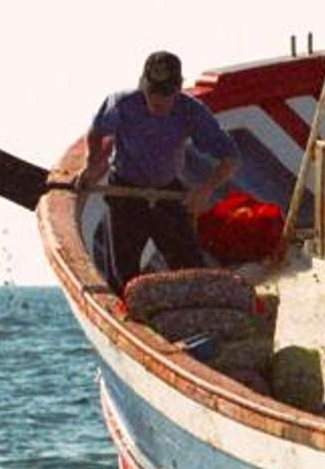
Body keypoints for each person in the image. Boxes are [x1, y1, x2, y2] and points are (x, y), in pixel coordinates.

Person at [76, 50, 240, 291]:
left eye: (166, 95)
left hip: (167, 194)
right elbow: (96, 132)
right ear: (143, 86)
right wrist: (90, 166)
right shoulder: (122, 103)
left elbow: (231, 157)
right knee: (123, 275)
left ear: (178, 89)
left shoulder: (191, 111)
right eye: (152, 94)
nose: (159, 102)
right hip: (125, 192)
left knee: (191, 268)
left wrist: (205, 189)